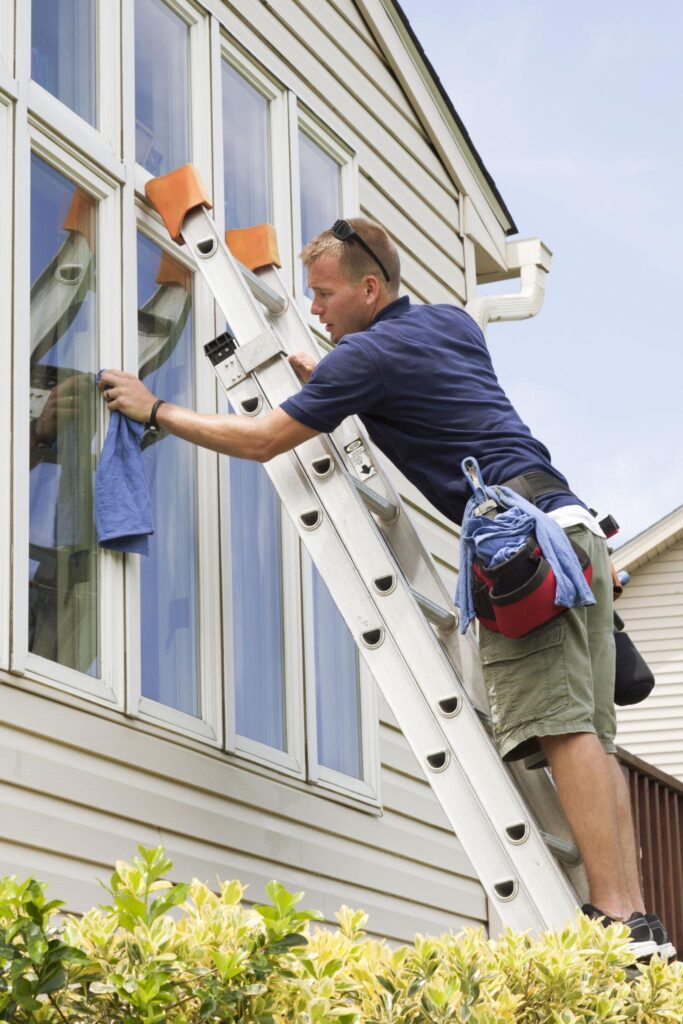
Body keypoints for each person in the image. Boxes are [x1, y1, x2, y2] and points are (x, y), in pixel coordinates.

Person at [99, 217, 672, 958]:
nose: (314, 308)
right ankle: (636, 921)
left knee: (562, 730)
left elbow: (265, 439)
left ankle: (613, 919)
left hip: (515, 542)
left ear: (369, 289)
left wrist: (157, 410)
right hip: (573, 529)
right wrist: (338, 387)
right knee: (590, 734)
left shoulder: (364, 359)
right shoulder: (448, 326)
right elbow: (423, 393)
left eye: (326, 294)